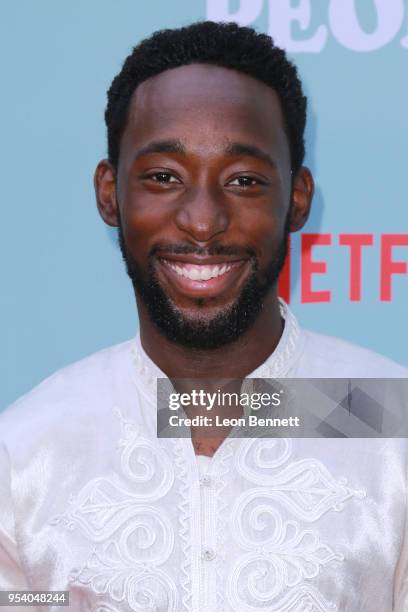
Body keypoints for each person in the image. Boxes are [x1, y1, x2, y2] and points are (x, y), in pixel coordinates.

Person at [0, 21, 407, 611]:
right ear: (110, 194)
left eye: (243, 181)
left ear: (297, 199)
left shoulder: (384, 421)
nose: (201, 220)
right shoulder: (27, 453)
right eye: (164, 177)